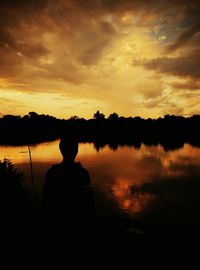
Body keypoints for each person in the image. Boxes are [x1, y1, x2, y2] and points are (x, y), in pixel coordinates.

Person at [42, 135, 94, 255]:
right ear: (76, 151)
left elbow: (46, 200)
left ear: (61, 150)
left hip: (56, 224)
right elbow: (90, 201)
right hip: (77, 222)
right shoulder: (83, 173)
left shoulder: (52, 173)